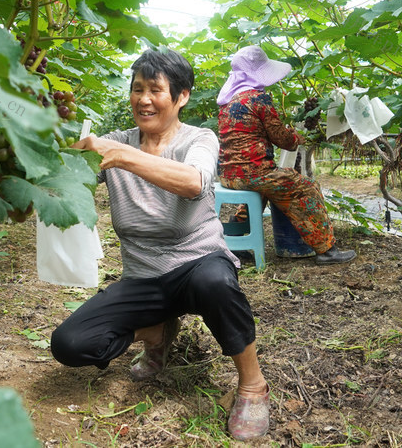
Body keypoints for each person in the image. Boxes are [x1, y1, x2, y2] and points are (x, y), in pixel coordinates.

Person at [50, 48, 270, 441]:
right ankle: (155, 332)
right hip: (143, 277)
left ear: (182, 96)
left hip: (198, 264)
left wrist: (122, 157)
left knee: (215, 284)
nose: (144, 99)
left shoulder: (198, 139)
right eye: (137, 89)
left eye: (155, 90)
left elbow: (194, 182)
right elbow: (66, 176)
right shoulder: (116, 142)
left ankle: (253, 385)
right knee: (69, 343)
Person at [217, 45, 356, 265]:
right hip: (254, 173)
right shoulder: (258, 98)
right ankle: (327, 250)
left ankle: (235, 236)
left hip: (228, 174)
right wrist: (297, 137)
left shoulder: (228, 101)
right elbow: (283, 139)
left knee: (263, 191)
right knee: (306, 187)